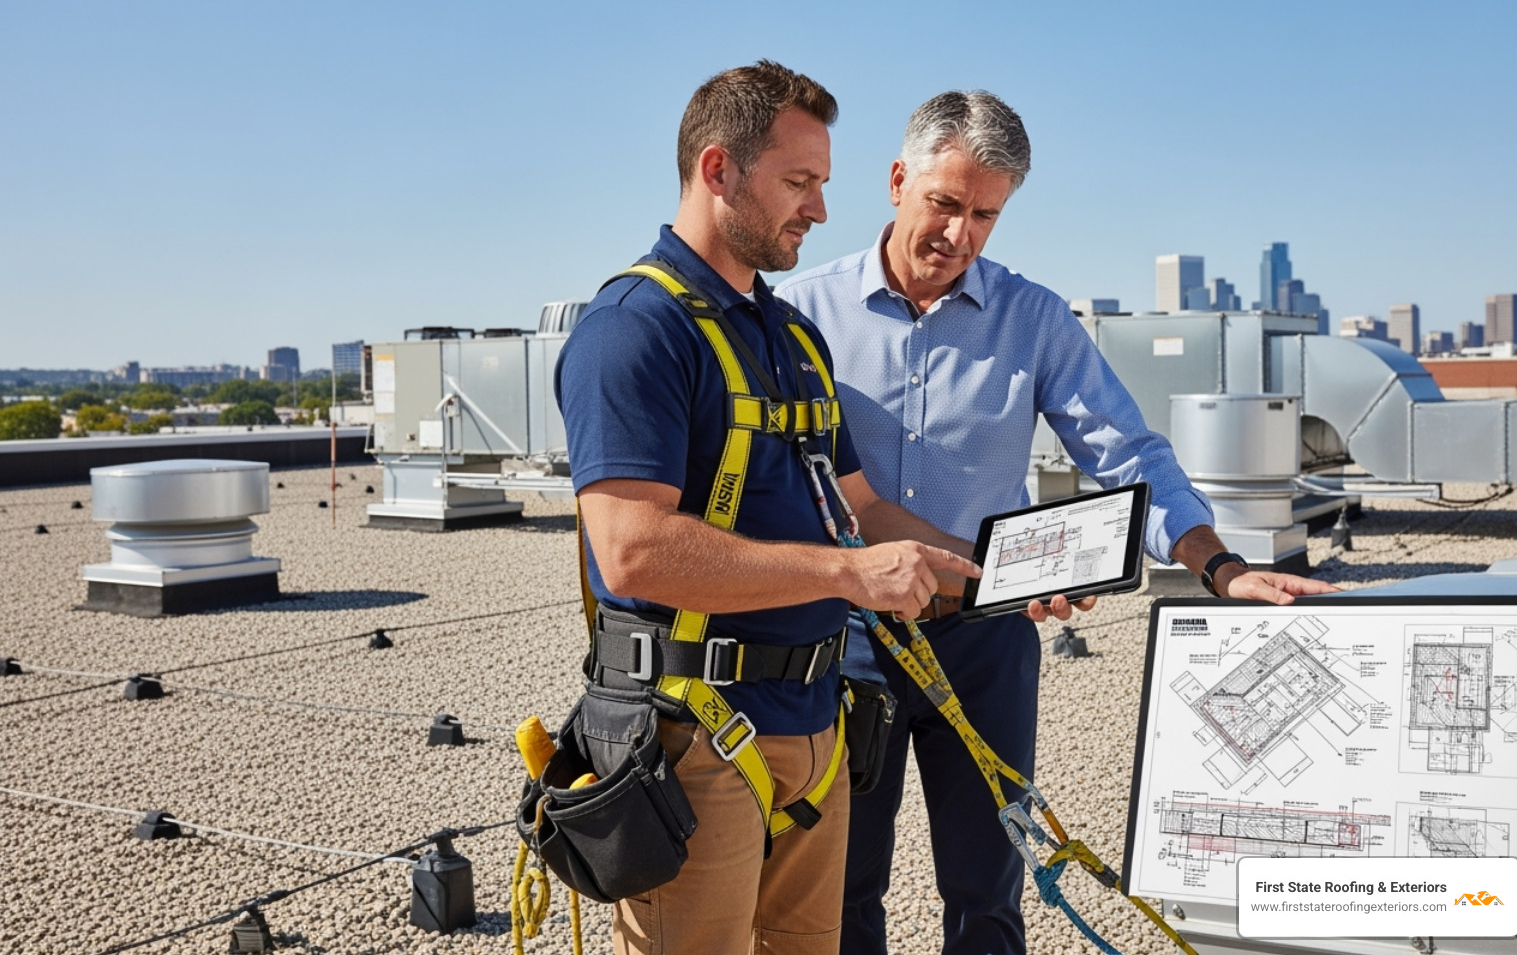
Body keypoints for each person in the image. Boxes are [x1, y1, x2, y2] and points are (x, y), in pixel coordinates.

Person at [777, 89, 1338, 955]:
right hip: (848, 645)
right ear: (897, 181)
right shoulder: (799, 313)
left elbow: (1129, 453)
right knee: (845, 888)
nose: (960, 236)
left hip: (988, 643)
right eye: (945, 204)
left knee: (991, 886)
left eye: (986, 216)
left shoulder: (1032, 318)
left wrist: (1219, 565)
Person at [553, 62, 981, 955]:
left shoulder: (791, 337)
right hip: (696, 736)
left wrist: (999, 570)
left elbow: (857, 509)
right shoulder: (634, 330)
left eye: (821, 184)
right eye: (798, 182)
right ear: (718, 170)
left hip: (816, 730)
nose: (820, 211)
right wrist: (848, 574)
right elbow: (631, 551)